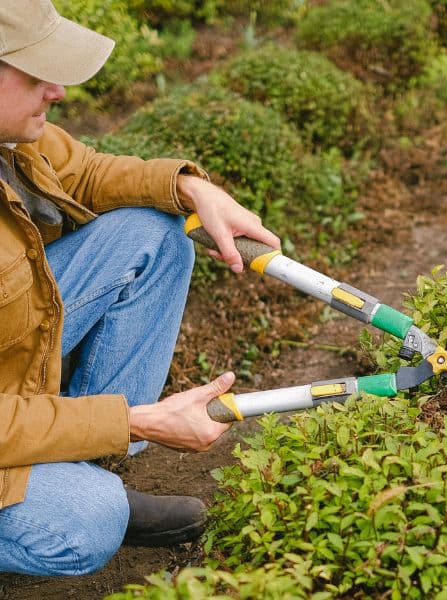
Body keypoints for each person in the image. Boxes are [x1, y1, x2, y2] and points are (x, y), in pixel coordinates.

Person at [0, 0, 281, 576]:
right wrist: (131, 420)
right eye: (36, 74)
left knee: (153, 233)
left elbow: (84, 171)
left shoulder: (11, 136)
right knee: (91, 520)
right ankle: (68, 493)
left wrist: (191, 188)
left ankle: (75, 467)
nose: (58, 91)